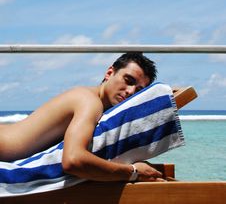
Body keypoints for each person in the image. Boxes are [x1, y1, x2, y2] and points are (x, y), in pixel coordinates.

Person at [0, 52, 165, 182]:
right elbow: (73, 160)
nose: (130, 92)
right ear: (109, 73)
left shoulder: (89, 100)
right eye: (128, 80)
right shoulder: (89, 102)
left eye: (138, 90)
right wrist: (133, 172)